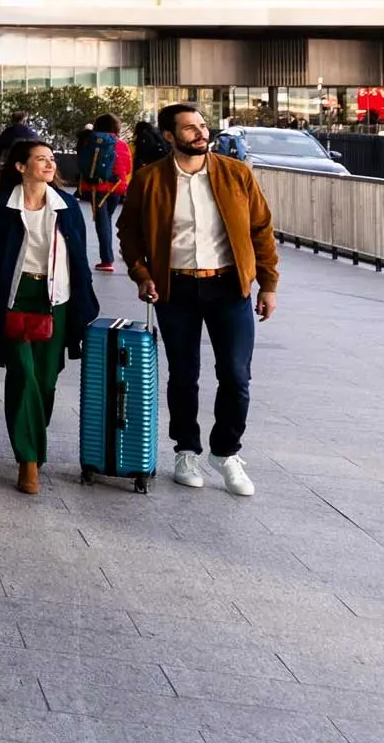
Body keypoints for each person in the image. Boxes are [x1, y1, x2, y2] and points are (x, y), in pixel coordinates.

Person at [119, 103, 280, 497]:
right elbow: (129, 233)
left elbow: (261, 229)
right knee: (183, 375)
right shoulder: (149, 179)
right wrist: (141, 275)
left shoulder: (235, 174)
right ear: (170, 137)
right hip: (176, 289)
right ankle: (186, 450)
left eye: (202, 126)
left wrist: (268, 283)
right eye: (189, 128)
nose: (200, 133)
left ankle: (226, 453)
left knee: (236, 376)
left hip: (230, 286)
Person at [0, 139, 99, 494]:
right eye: (41, 159)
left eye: (51, 159)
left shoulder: (66, 207)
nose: (50, 165)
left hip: (56, 298)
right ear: (21, 167)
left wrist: (84, 300)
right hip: (15, 297)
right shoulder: (2, 206)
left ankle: (32, 441)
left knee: (47, 380)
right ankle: (28, 459)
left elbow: (79, 258)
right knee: (23, 373)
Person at [75, 114, 132, 271]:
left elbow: (82, 164)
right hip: (117, 187)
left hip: (97, 187)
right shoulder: (122, 144)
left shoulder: (91, 142)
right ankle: (107, 257)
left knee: (103, 222)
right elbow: (128, 168)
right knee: (107, 219)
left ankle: (107, 260)